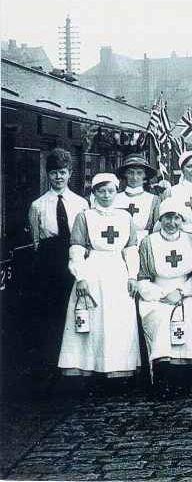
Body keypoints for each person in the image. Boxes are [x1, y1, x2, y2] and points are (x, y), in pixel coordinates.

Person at [57, 173, 140, 388]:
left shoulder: (125, 217)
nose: (106, 195)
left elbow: (131, 250)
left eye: (110, 191)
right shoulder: (84, 217)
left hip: (118, 272)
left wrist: (132, 276)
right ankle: (87, 369)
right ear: (93, 193)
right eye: (101, 191)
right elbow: (76, 249)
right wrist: (81, 277)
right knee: (92, 321)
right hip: (92, 270)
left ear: (116, 192)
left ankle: (118, 372)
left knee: (117, 320)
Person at [136, 197, 192, 398]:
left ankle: (189, 374)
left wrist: (183, 292)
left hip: (188, 291)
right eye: (167, 218)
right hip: (157, 294)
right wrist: (161, 294)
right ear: (160, 219)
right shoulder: (149, 242)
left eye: (176, 218)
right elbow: (143, 277)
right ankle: (163, 375)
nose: (172, 223)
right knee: (160, 318)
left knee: (191, 315)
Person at [28, 148, 90, 384]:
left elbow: (86, 237)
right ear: (48, 175)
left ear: (70, 173)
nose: (58, 177)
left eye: (62, 172)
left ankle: (77, 366)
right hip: (49, 262)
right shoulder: (38, 205)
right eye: (54, 173)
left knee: (77, 310)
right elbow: (36, 239)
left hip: (76, 257)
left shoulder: (81, 203)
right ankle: (52, 367)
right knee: (52, 314)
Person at [113, 153, 160, 243]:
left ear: (145, 175)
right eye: (130, 173)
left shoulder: (153, 199)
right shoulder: (115, 198)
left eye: (139, 173)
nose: (135, 177)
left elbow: (157, 228)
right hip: (119, 241)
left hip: (144, 242)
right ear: (125, 175)